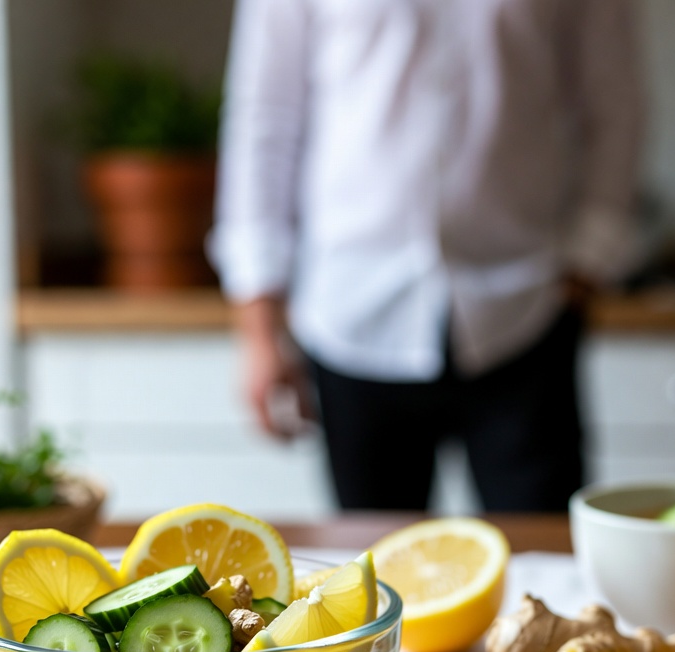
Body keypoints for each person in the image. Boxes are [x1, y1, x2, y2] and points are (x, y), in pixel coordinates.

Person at [209, 0, 645, 512]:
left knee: (546, 546)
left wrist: (588, 258)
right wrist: (259, 326)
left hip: (523, 307)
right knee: (375, 554)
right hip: (352, 309)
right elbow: (264, 119)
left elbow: (614, 106)